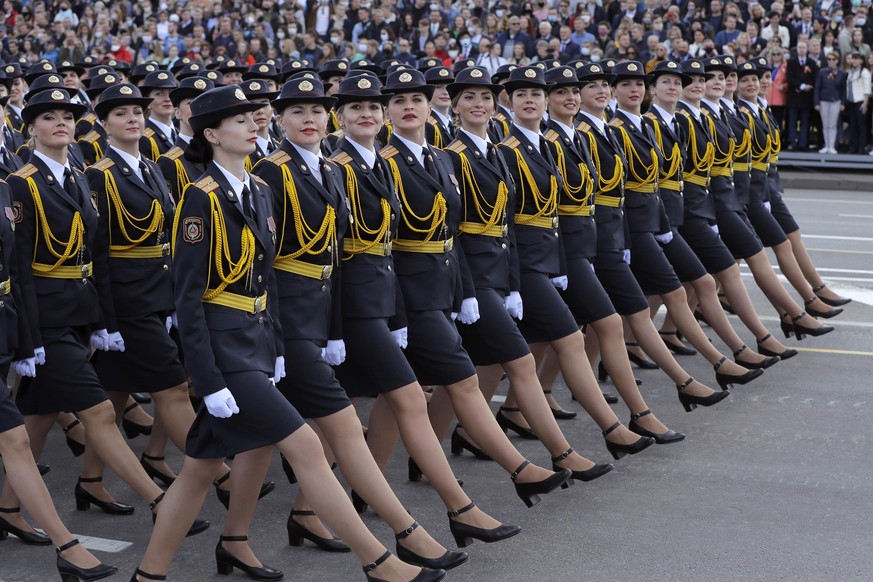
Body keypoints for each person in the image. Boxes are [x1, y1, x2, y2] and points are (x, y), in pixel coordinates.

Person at [131, 85, 445, 582]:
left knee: (197, 471)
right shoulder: (199, 199)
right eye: (238, 121)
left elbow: (265, 276)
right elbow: (187, 300)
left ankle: (153, 573)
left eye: (252, 119)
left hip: (257, 342)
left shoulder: (256, 189)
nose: (252, 125)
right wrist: (207, 382)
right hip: (225, 350)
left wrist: (276, 347)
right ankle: (379, 562)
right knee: (307, 446)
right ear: (211, 134)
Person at [250, 74, 466, 572]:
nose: (309, 120)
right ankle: (409, 534)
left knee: (242, 452)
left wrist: (342, 328)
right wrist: (280, 337)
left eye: (315, 111)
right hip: (286, 323)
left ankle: (241, 536)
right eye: (297, 112)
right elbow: (266, 264)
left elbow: (338, 258)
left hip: (327, 313)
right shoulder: (272, 172)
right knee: (339, 428)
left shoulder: (327, 170)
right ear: (278, 121)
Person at [2, 87, 209, 541]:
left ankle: (7, 506)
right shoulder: (21, 183)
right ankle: (159, 500)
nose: (60, 122)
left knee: (37, 414)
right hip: (47, 321)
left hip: (78, 313)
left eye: (67, 115)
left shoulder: (75, 176)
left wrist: (99, 322)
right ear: (30, 128)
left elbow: (91, 255)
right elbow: (18, 267)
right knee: (98, 412)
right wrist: (29, 337)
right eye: (48, 117)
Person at [574, 62, 729, 412]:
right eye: (591, 86)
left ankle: (529, 403)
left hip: (623, 232)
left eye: (605, 85)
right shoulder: (586, 131)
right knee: (604, 321)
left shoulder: (612, 129)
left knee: (595, 325)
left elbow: (641, 186)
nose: (630, 89)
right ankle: (699, 373)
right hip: (599, 239)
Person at [607, 60, 763, 392]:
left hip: (662, 220)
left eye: (639, 84)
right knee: (676, 291)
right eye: (626, 85)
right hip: (636, 227)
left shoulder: (648, 126)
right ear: (615, 91)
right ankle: (722, 360)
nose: (635, 90)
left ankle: (724, 354)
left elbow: (666, 179)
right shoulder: (616, 129)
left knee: (642, 302)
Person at [1, 175, 117, 582]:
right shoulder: (17, 185)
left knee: (17, 437)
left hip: (5, 326)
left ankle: (61, 543)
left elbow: (15, 269)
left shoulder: (2, 187)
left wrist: (24, 341)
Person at [645, 60, 780, 373]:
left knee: (664, 291)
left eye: (680, 82)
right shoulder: (654, 123)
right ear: (654, 89)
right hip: (671, 216)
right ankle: (742, 348)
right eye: (669, 82)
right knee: (696, 282)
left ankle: (639, 344)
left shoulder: (677, 121)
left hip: (690, 209)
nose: (676, 87)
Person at [814, 51, 846, 155]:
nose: (831, 61)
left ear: (837, 60)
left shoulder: (841, 73)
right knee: (825, 125)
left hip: (836, 101)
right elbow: (817, 88)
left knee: (832, 125)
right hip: (823, 101)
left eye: (833, 59)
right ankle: (826, 145)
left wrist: (843, 103)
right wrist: (816, 102)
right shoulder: (822, 72)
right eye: (829, 59)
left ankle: (831, 146)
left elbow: (843, 89)